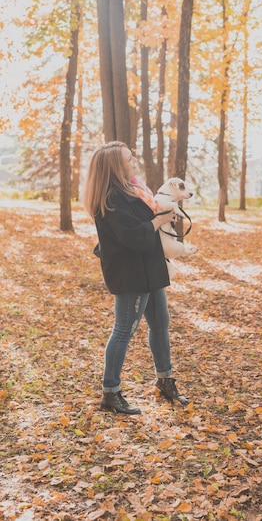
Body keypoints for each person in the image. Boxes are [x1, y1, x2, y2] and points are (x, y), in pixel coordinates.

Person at [84, 141, 188, 415]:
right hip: (131, 272)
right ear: (116, 166)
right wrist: (159, 219)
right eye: (129, 159)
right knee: (124, 330)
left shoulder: (133, 189)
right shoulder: (112, 198)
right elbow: (135, 236)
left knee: (160, 322)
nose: (134, 162)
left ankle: (165, 380)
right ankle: (110, 392)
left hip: (149, 268)